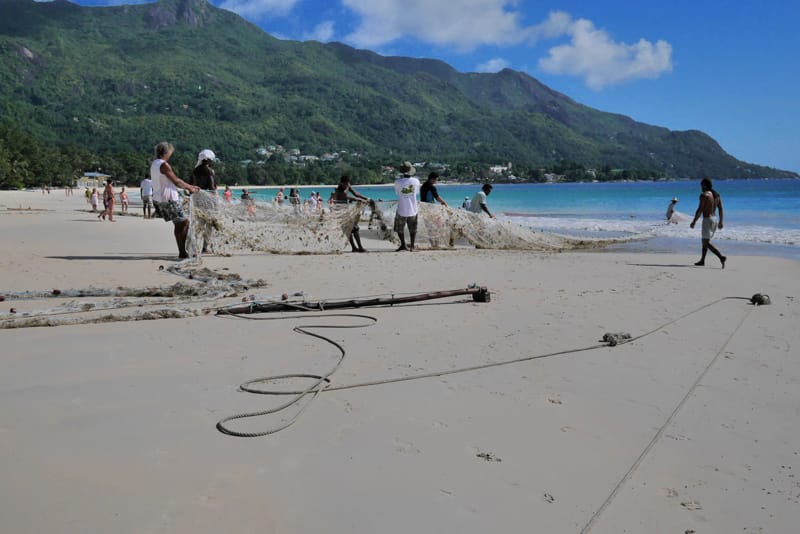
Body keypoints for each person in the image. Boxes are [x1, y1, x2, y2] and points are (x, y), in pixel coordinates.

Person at [150, 142, 200, 259]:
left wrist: (189, 187)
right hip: (168, 199)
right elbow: (176, 181)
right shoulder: (164, 165)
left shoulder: (154, 163)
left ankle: (183, 251)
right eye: (170, 153)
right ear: (166, 152)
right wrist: (190, 187)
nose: (170, 155)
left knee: (179, 223)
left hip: (159, 199)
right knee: (184, 222)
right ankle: (182, 252)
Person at [689, 178, 726, 268]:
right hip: (714, 219)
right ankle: (702, 260)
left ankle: (721, 257)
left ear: (704, 185)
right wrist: (721, 221)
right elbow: (720, 208)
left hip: (707, 220)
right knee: (705, 240)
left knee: (706, 242)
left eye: (701, 186)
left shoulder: (704, 195)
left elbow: (700, 209)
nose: (701, 188)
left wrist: (694, 221)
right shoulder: (716, 195)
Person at [333, 175, 369, 252]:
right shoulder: (338, 190)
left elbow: (356, 193)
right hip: (340, 211)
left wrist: (365, 197)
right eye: (344, 184)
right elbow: (348, 197)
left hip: (346, 210)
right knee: (350, 229)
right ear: (341, 183)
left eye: (347, 183)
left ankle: (358, 247)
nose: (346, 185)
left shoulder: (348, 186)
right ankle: (356, 247)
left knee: (353, 228)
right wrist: (359, 200)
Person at [393, 161, 421, 251]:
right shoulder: (416, 181)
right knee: (413, 228)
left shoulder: (397, 182)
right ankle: (412, 246)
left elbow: (397, 193)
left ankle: (403, 245)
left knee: (399, 228)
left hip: (401, 208)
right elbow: (416, 192)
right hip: (413, 208)